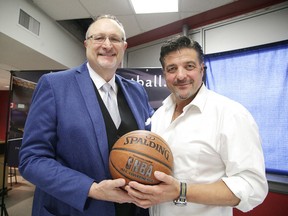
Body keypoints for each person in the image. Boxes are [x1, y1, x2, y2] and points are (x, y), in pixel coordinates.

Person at [19, 14, 154, 216]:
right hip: (74, 209)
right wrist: (92, 189)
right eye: (99, 38)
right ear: (86, 44)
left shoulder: (137, 91)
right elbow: (32, 159)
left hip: (133, 209)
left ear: (124, 47)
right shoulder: (55, 85)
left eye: (115, 39)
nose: (107, 45)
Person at [125, 36, 268, 216]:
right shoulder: (160, 115)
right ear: (164, 75)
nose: (181, 75)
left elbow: (253, 186)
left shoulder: (231, 114)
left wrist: (181, 191)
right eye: (172, 69)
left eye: (189, 66)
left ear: (202, 69)